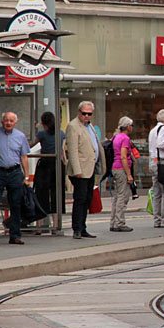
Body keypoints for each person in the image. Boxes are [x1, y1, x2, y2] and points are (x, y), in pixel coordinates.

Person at [0, 112, 31, 245]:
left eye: (11, 121)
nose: (8, 123)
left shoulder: (20, 136)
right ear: (2, 122)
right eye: (6, 120)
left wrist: (27, 176)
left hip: (15, 172)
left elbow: (24, 157)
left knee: (16, 204)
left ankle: (15, 235)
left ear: (15, 122)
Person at [65, 101, 105, 239]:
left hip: (90, 167)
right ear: (79, 112)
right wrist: (77, 170)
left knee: (87, 198)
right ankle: (77, 228)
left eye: (89, 114)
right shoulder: (73, 126)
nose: (87, 116)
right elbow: (72, 150)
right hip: (80, 170)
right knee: (80, 199)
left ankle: (83, 227)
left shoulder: (90, 127)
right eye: (84, 114)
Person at [33, 112, 64, 216]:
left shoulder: (41, 134)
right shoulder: (61, 133)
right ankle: (56, 223)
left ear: (42, 122)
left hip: (44, 165)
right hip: (57, 164)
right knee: (56, 194)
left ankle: (40, 225)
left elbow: (31, 144)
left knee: (41, 194)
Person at [109, 116, 135, 232]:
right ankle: (120, 222)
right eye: (132, 125)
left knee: (116, 196)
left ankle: (113, 222)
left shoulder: (116, 137)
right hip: (121, 168)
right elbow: (124, 156)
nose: (132, 127)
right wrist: (129, 174)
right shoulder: (125, 138)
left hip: (114, 167)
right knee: (122, 196)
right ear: (128, 126)